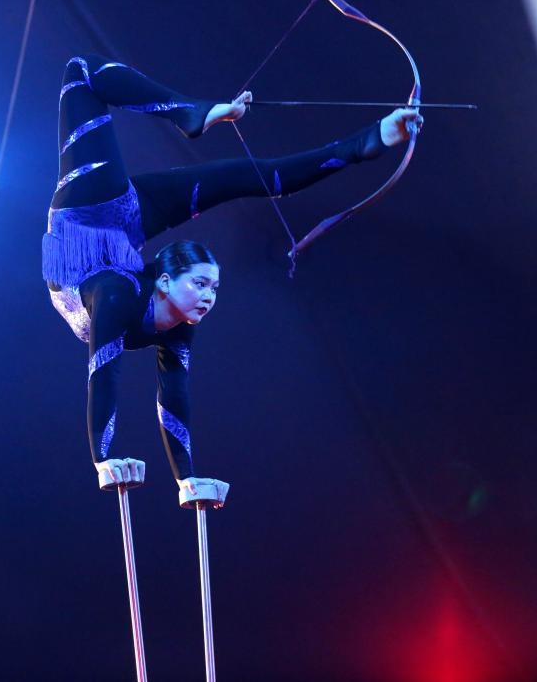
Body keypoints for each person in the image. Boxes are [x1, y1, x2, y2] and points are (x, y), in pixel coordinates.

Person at [43, 55, 422, 501]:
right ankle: (196, 112)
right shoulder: (118, 297)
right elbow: (103, 376)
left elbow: (172, 400)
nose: (208, 298)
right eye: (201, 284)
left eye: (214, 288)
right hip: (103, 213)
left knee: (244, 174)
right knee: (81, 70)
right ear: (166, 282)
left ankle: (369, 139)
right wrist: (102, 460)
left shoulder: (144, 306)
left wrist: (186, 480)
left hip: (85, 239)